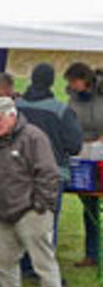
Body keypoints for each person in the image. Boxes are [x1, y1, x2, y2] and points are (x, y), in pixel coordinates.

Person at [0, 97, 66, 287]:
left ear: (11, 114)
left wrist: (40, 205)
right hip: (2, 211)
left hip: (31, 212)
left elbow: (49, 174)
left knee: (44, 264)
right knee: (4, 263)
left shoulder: (34, 137)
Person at [17, 62, 82, 277]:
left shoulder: (17, 107)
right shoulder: (61, 110)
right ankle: (42, 269)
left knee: (23, 220)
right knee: (46, 224)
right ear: (52, 82)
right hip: (52, 173)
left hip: (20, 172)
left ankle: (25, 265)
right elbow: (74, 146)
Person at [64, 61, 102, 267]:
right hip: (83, 155)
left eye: (74, 82)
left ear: (85, 80)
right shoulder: (72, 99)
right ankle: (92, 253)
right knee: (89, 207)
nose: (72, 86)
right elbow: (70, 121)